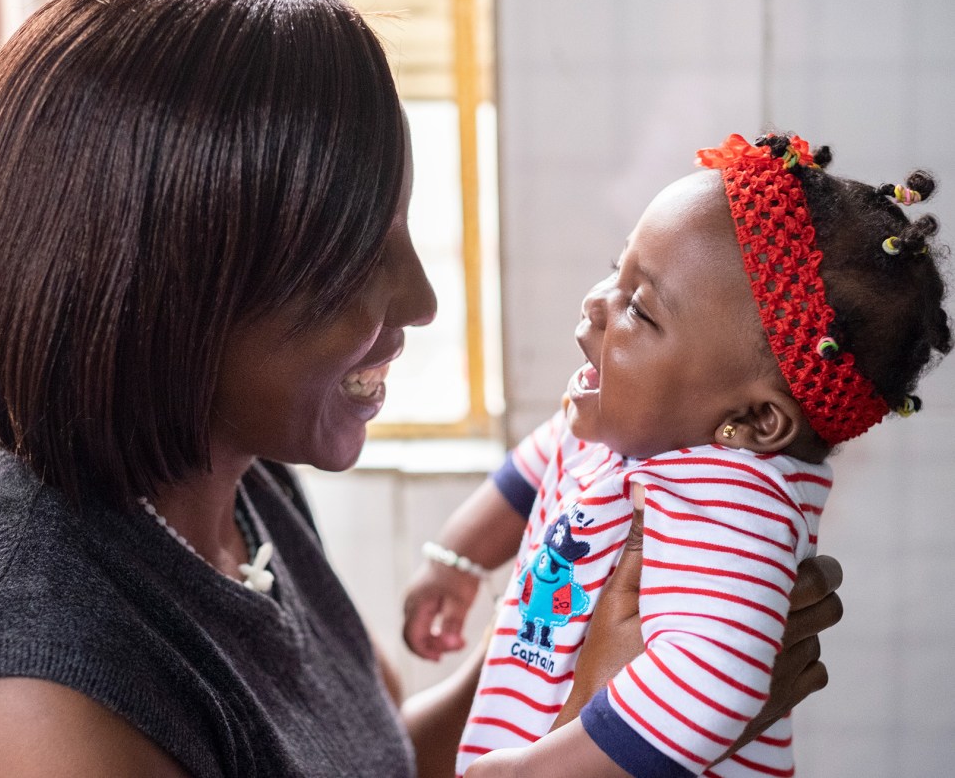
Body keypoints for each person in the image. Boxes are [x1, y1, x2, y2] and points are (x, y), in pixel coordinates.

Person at [0, 0, 844, 774]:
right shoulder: (33, 711)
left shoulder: (224, 473)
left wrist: (576, 655)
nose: (421, 301)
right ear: (168, 300)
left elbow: (372, 761)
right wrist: (606, 735)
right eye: (353, 260)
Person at [404, 132, 951, 777]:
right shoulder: (629, 427)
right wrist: (456, 560)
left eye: (639, 308)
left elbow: (713, 682)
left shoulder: (735, 502)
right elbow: (534, 467)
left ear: (755, 420)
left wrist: (536, 772)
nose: (596, 301)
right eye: (618, 267)